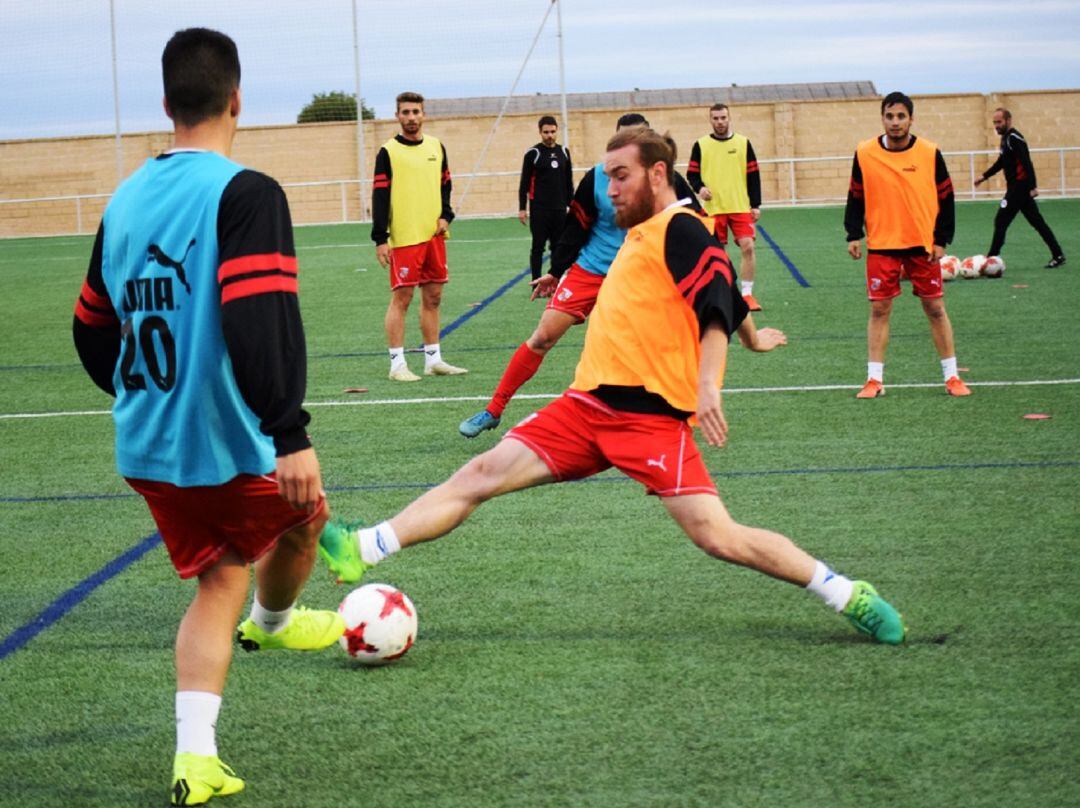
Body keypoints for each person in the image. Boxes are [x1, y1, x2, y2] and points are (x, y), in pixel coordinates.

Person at [323, 126, 907, 646]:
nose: (611, 190)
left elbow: (714, 295)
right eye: (606, 178)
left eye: (620, 176)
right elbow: (722, 294)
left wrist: (710, 382)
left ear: (658, 173)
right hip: (584, 408)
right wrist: (753, 337)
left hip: (648, 420)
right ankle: (363, 547)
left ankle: (844, 592)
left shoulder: (680, 228)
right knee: (479, 474)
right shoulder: (643, 229)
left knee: (719, 537)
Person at [72, 28, 344, 806]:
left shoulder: (123, 201)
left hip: (147, 448)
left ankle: (196, 759)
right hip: (225, 448)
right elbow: (260, 318)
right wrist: (289, 433)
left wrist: (139, 392)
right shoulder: (246, 192)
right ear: (237, 100)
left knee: (218, 576)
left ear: (165, 104)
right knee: (306, 516)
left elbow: (91, 328)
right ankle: (278, 621)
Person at [459, 113, 699, 438]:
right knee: (543, 336)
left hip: (639, 279)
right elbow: (576, 226)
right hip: (591, 270)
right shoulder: (596, 179)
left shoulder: (666, 179)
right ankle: (493, 409)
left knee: (649, 345)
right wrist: (556, 270)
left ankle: (664, 415)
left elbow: (693, 221)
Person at [844, 91, 972, 399]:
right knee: (879, 309)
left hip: (921, 244)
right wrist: (853, 233)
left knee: (935, 308)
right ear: (883, 118)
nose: (895, 122)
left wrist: (941, 239)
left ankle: (952, 376)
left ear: (911, 119)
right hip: (882, 244)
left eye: (901, 116)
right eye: (890, 116)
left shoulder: (929, 152)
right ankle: (874, 380)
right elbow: (855, 195)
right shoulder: (864, 152)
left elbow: (946, 197)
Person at [372, 91, 466, 382]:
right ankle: (397, 364)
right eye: (406, 113)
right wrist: (380, 238)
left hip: (433, 236)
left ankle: (433, 360)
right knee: (403, 298)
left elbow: (445, 185)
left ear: (423, 114)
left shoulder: (437, 147)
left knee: (434, 297)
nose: (411, 118)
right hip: (405, 238)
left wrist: (445, 215)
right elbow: (380, 195)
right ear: (397, 116)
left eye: (416, 112)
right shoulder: (388, 152)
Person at [687, 103, 763, 311]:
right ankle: (726, 294)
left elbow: (753, 175)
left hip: (739, 206)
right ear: (710, 120)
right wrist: (700, 188)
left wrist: (755, 204)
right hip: (713, 209)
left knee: (748, 246)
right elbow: (692, 174)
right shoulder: (701, 145)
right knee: (719, 253)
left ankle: (747, 294)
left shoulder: (743, 143)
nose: (720, 122)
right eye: (716, 118)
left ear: (729, 118)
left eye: (723, 118)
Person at [974, 108, 1065, 268]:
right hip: (1018, 189)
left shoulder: (1014, 138)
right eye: (994, 122)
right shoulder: (1005, 139)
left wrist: (1033, 186)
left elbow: (1026, 162)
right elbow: (1001, 162)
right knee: (1037, 222)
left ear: (1008, 121)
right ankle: (1058, 254)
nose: (996, 125)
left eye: (999, 122)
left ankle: (992, 258)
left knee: (1001, 220)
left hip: (1019, 188)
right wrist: (984, 176)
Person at [519, 115, 574, 282]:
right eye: (546, 132)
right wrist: (522, 208)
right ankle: (536, 281)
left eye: (552, 132)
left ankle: (554, 279)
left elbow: (568, 181)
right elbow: (525, 183)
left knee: (558, 246)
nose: (549, 135)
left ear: (557, 131)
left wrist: (572, 205)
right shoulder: (533, 154)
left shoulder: (564, 152)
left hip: (559, 209)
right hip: (539, 210)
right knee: (538, 247)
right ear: (540, 132)